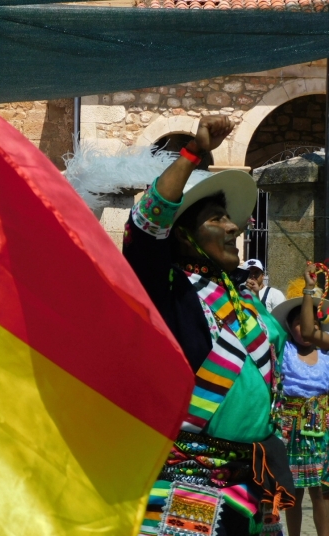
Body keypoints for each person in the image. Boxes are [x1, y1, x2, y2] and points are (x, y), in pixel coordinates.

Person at [123, 115, 295, 536]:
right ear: (184, 237)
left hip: (250, 480)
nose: (234, 226)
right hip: (189, 485)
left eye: (228, 218)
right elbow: (144, 230)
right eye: (217, 219)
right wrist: (193, 153)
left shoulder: (242, 299)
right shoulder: (171, 291)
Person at [271, 277, 329, 536]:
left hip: (323, 427)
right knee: (293, 488)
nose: (306, 328)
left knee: (323, 490)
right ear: (289, 327)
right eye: (299, 323)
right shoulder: (284, 351)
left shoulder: (326, 352)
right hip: (290, 426)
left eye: (315, 324)